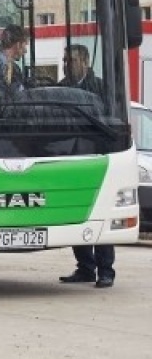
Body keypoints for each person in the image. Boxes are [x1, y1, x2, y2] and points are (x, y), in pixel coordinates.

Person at [57, 43, 115, 288]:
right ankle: (85, 267)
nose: (66, 65)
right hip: (68, 154)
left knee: (98, 212)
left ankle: (105, 270)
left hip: (94, 153)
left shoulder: (100, 87)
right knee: (77, 211)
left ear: (85, 62)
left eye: (71, 60)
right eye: (64, 60)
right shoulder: (59, 89)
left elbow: (109, 118)